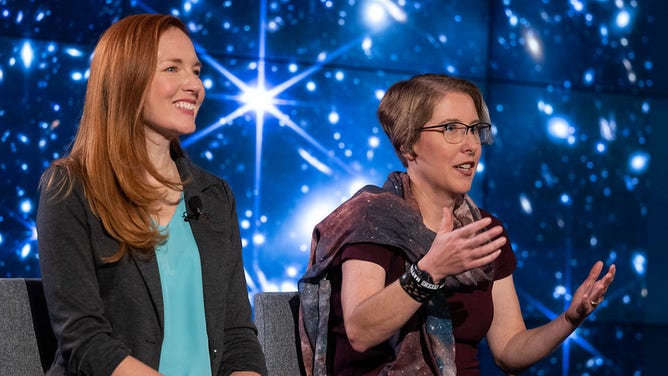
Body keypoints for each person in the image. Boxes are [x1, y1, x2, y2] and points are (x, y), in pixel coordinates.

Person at [297, 73, 616, 376]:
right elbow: (361, 331)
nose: (471, 145)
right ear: (409, 145)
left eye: (475, 129)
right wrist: (430, 271)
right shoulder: (373, 217)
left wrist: (569, 320)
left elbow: (508, 350)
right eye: (451, 128)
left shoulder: (485, 230)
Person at [36, 14, 267, 376]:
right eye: (172, 69)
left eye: (196, 70)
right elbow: (85, 340)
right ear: (127, 79)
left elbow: (237, 334)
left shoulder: (215, 196)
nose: (194, 84)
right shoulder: (70, 187)